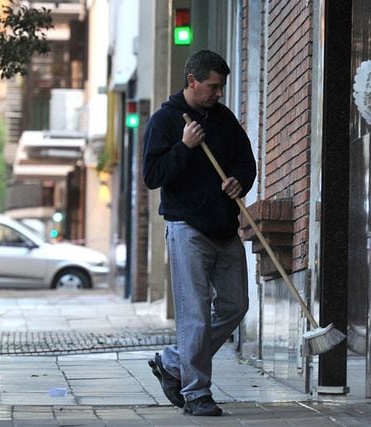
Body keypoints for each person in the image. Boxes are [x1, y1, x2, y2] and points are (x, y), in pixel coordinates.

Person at [142, 49, 257, 417]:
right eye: (212, 86)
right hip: (186, 227)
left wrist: (241, 182)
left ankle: (174, 361)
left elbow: (245, 160)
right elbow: (153, 176)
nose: (218, 93)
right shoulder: (165, 120)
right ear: (192, 82)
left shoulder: (223, 119)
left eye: (220, 86)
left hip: (225, 227)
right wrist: (185, 147)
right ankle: (196, 393)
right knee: (194, 313)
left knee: (235, 304)